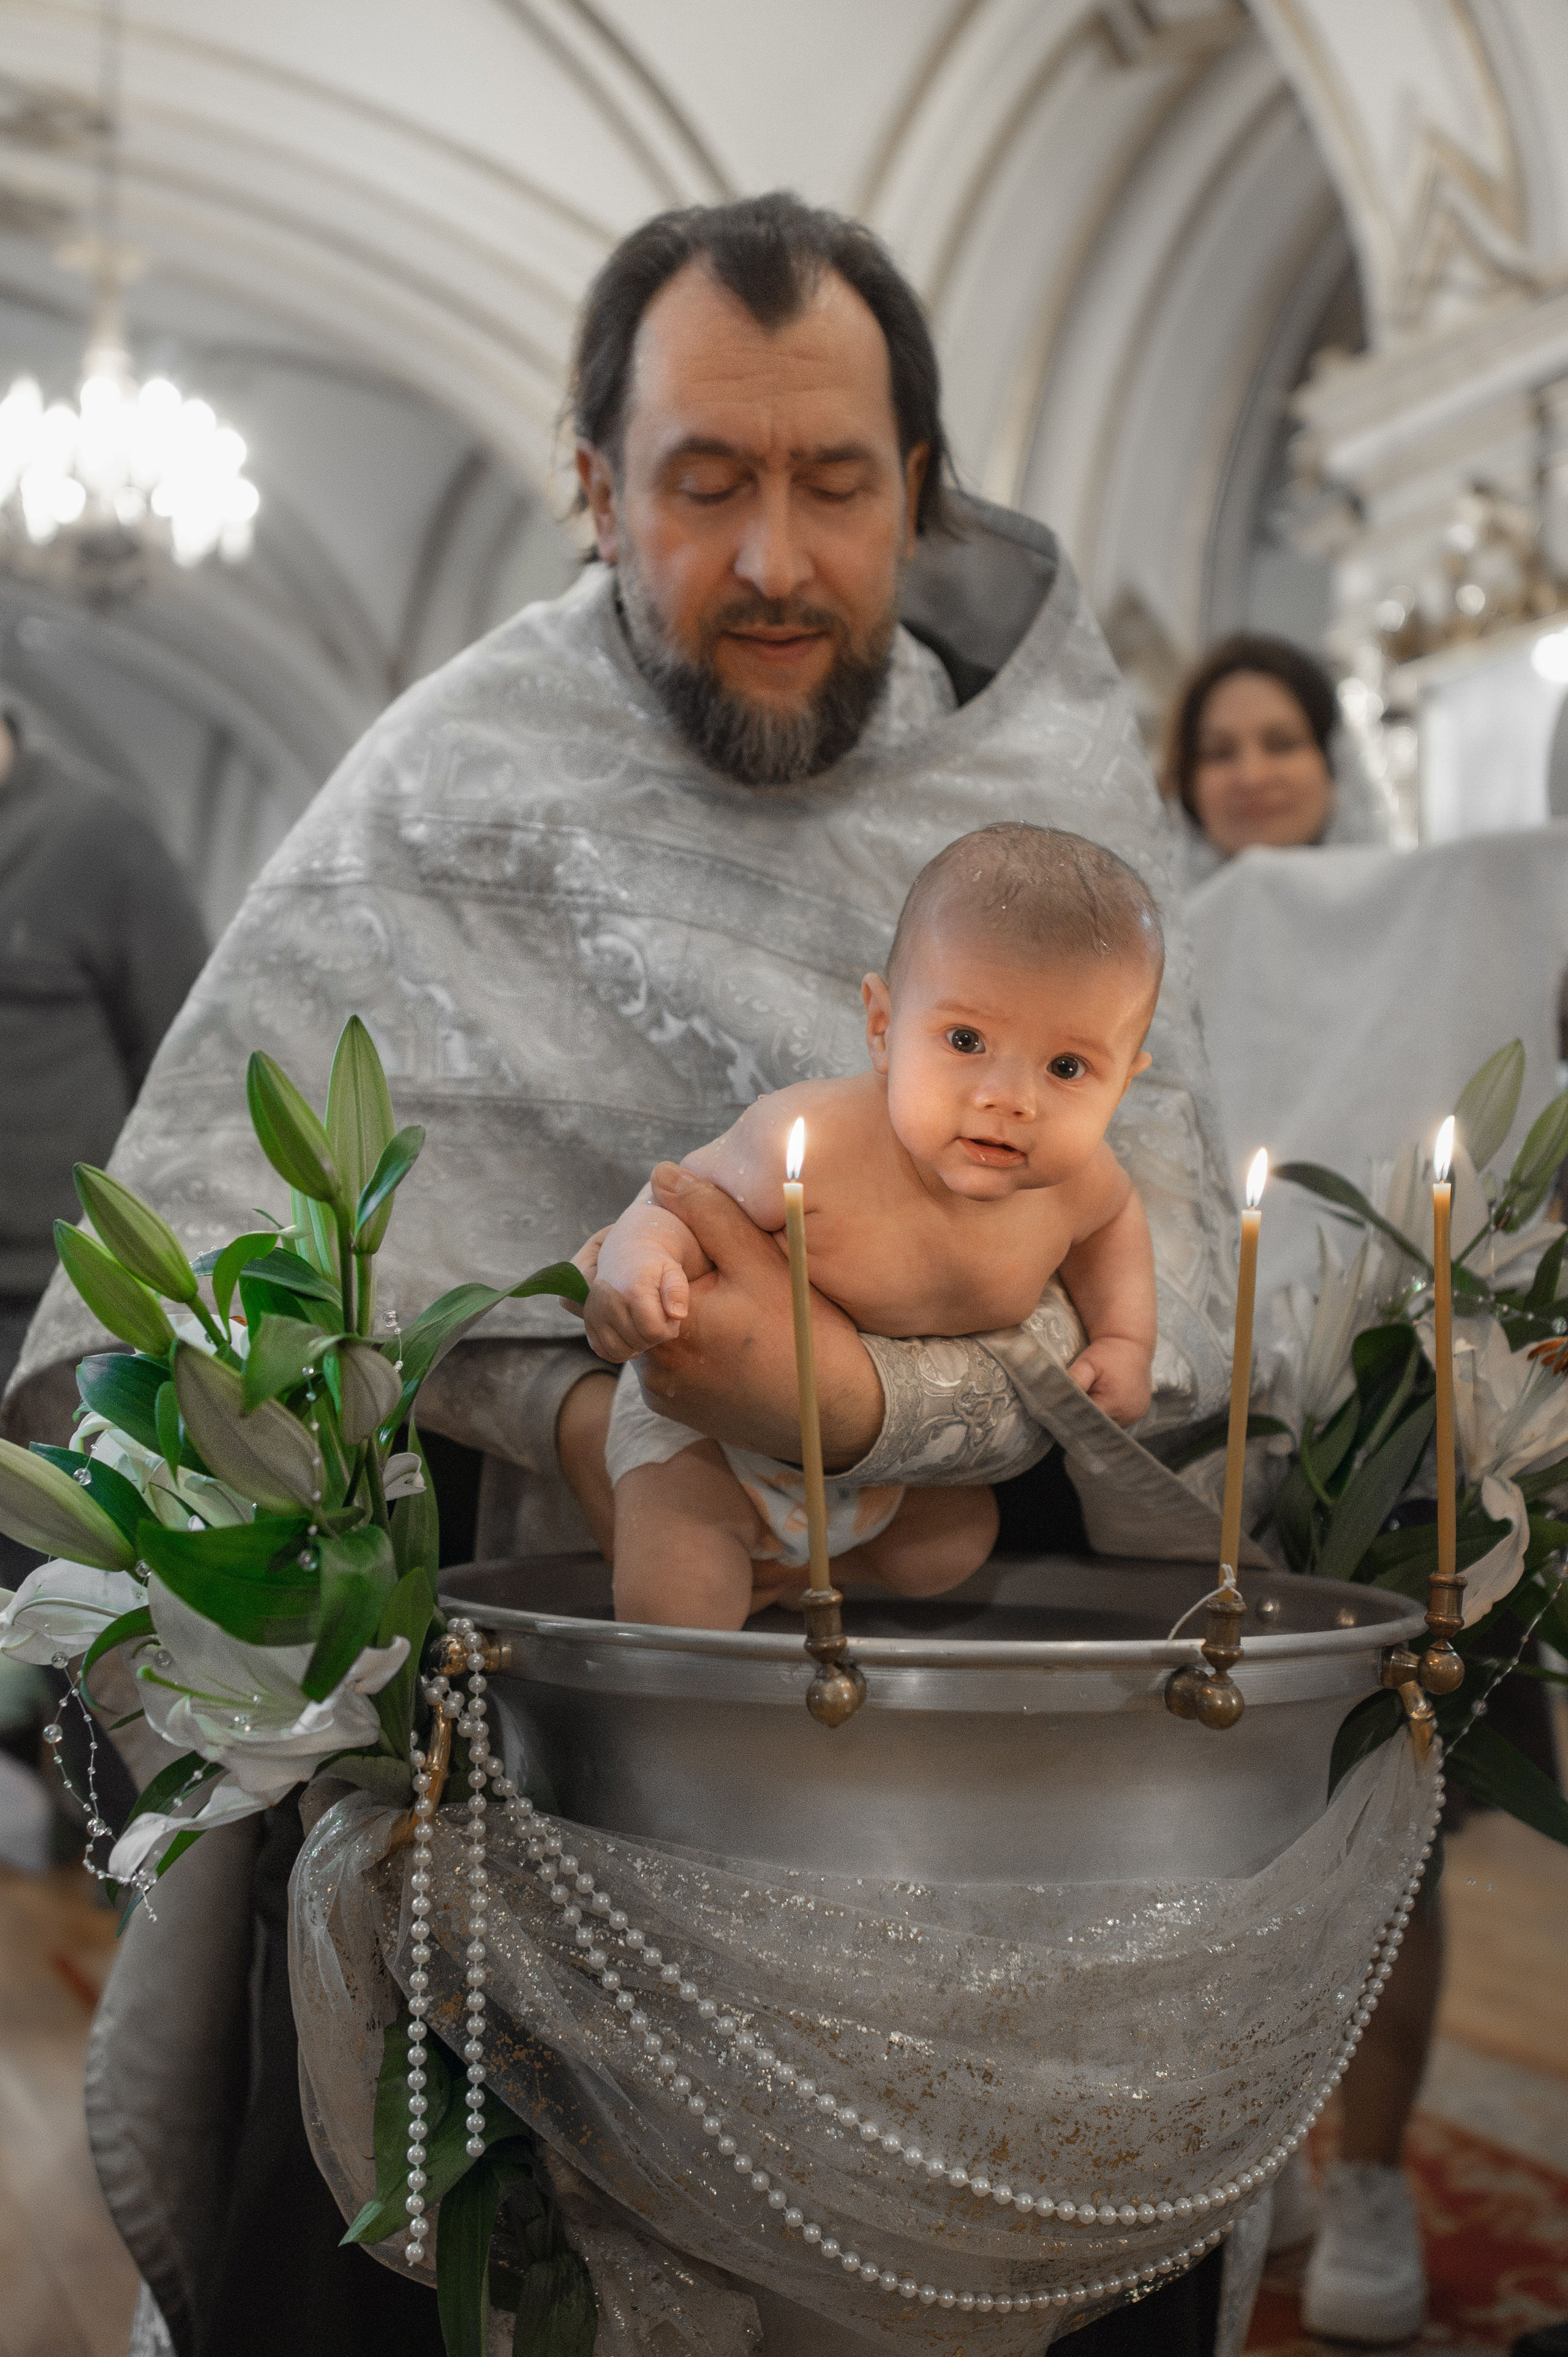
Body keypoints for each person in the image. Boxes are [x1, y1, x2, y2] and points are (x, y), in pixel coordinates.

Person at [5, 194, 1242, 2355]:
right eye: (706, 482)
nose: (776, 556)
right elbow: (201, 1285)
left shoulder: (1057, 816)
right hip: (523, 1764)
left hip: (975, 1782)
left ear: (921, 488)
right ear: (592, 486)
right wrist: (595, 1406)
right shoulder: (442, 798)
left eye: (838, 483)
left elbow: (1205, 1320)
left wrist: (882, 1418)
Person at [586, 823, 1161, 1626]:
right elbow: (679, 1198)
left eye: (1068, 1068)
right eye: (966, 1041)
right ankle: (707, 1648)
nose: (1010, 1096)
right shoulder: (813, 1141)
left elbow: (1114, 1227)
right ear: (883, 1027)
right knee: (677, 1600)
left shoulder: (1077, 1185)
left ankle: (808, 1570)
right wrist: (636, 1269)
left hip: (881, 1473)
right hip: (712, 1440)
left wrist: (1125, 1341)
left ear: (1125, 1080)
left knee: (955, 1545)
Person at [1162, 632, 1393, 889]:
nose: (1252, 777)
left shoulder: (1409, 916)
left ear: (1335, 763)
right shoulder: (1145, 927)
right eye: (1221, 753)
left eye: (1283, 745)